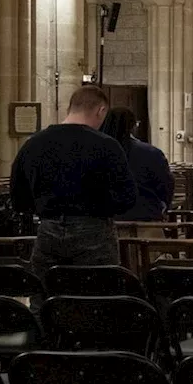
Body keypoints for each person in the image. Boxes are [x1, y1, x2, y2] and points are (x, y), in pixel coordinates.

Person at [11, 87, 137, 281]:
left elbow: (19, 198)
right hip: (94, 231)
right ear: (100, 110)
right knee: (98, 296)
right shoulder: (106, 145)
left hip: (48, 230)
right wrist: (101, 208)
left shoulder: (33, 144)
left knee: (45, 294)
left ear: (70, 108)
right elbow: (127, 196)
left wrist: (46, 210)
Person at [99, 106, 174, 222]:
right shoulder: (151, 153)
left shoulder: (96, 151)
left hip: (105, 222)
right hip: (145, 219)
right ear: (133, 126)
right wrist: (163, 207)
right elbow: (166, 185)